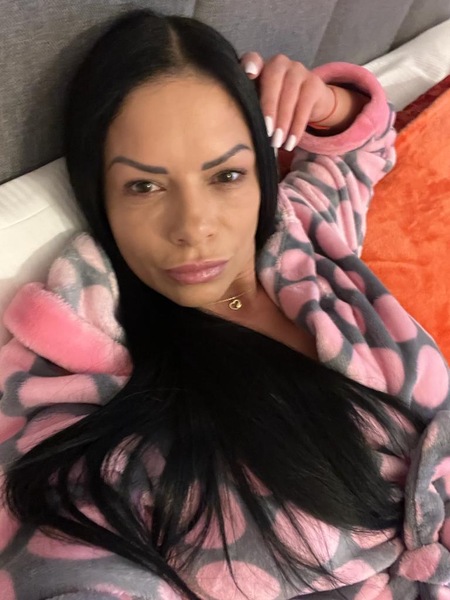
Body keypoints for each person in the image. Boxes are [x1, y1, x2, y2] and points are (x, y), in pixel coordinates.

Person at [0, 7, 449, 600]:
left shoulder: (302, 232)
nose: (194, 227)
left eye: (226, 176)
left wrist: (322, 104)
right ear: (99, 194)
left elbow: (364, 146)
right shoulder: (69, 361)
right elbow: (51, 547)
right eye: (144, 186)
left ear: (262, 174)